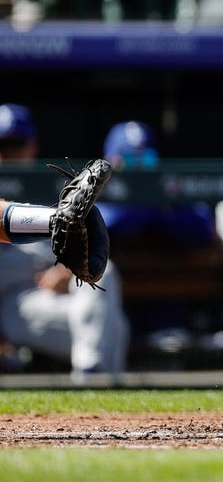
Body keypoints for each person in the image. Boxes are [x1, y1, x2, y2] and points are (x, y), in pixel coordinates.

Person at [0, 110, 128, 382]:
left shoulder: (50, 187)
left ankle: (90, 384)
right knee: (113, 328)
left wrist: (66, 268)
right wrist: (56, 220)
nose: (6, 154)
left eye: (14, 146)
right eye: (1, 147)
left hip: (37, 298)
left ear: (31, 145)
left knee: (111, 320)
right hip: (9, 303)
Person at [96, 120, 223, 364]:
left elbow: (201, 227)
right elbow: (107, 223)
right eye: (129, 162)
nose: (139, 170)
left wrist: (162, 207)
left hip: (174, 320)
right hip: (120, 320)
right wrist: (153, 209)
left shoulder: (171, 194)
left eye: (146, 161)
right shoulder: (98, 197)